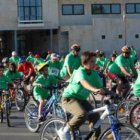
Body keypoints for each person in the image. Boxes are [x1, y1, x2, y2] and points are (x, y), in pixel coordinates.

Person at [58, 51, 105, 140]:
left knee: (96, 116)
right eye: (92, 61)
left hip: (81, 100)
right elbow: (85, 84)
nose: (94, 64)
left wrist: (113, 94)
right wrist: (95, 90)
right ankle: (65, 130)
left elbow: (101, 87)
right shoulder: (80, 71)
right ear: (84, 63)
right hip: (69, 98)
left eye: (95, 61)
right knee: (82, 114)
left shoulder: (94, 73)